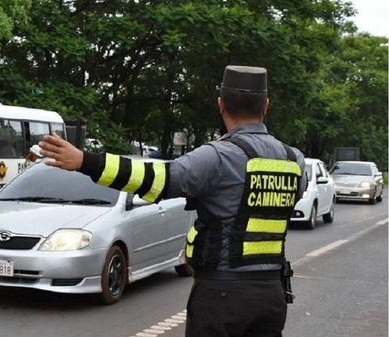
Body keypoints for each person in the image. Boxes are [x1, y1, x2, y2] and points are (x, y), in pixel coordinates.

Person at [38, 65, 307, 337]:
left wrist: (86, 161)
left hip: (222, 296)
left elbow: (158, 179)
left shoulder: (218, 156)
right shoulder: (293, 159)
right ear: (266, 106)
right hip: (271, 295)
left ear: (221, 104)